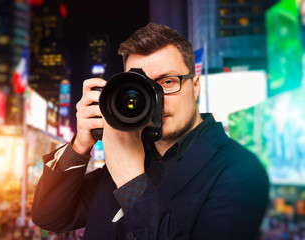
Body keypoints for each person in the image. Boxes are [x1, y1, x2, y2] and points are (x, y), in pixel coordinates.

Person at [31, 22, 269, 240]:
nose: (157, 100)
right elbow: (50, 217)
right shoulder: (130, 152)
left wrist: (131, 180)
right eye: (143, 87)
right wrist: (79, 146)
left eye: (167, 82)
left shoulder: (241, 170)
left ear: (195, 86)